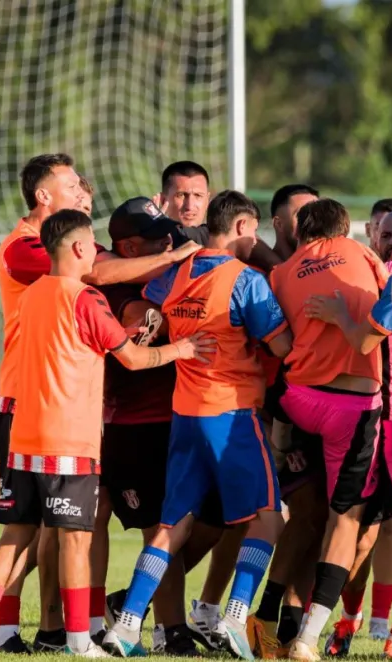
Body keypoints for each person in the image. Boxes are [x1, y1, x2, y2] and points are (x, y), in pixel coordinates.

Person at [0, 154, 195, 653]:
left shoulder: (42, 289)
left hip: (32, 423)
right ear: (44, 197)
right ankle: (61, 631)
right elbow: (115, 314)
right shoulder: (30, 255)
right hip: (52, 421)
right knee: (70, 535)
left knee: (24, 530)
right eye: (72, 185)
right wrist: (173, 262)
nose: (82, 189)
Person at [103, 191, 292, 659]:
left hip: (185, 414)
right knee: (271, 518)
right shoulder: (245, 280)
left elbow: (151, 315)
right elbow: (283, 346)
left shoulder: (173, 273)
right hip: (232, 415)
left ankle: (126, 626)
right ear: (245, 227)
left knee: (171, 526)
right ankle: (234, 614)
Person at [270, 199, 392, 662]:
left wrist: (340, 316)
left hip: (381, 418)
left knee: (363, 525)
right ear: (365, 231)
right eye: (385, 235)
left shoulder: (387, 276)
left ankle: (315, 633)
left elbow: (366, 336)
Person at [94, 198, 236, 656]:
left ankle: (140, 613)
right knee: (160, 524)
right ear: (130, 246)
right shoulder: (116, 291)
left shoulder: (158, 280)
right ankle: (166, 628)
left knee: (201, 521)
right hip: (136, 428)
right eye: (159, 240)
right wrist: (164, 319)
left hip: (174, 422)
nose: (169, 244)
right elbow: (140, 321)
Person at [243, 183, 325, 660]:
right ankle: (263, 615)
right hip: (276, 410)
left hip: (317, 409)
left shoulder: (316, 269)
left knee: (323, 519)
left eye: (317, 212)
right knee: (305, 512)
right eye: (300, 215)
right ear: (278, 223)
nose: (310, 222)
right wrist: (279, 421)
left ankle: (289, 620)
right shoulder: (263, 274)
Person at [159, 160, 211, 227]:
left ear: (207, 200)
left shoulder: (221, 236)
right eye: (181, 195)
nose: (190, 206)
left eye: (198, 195)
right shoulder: (148, 236)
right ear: (163, 200)